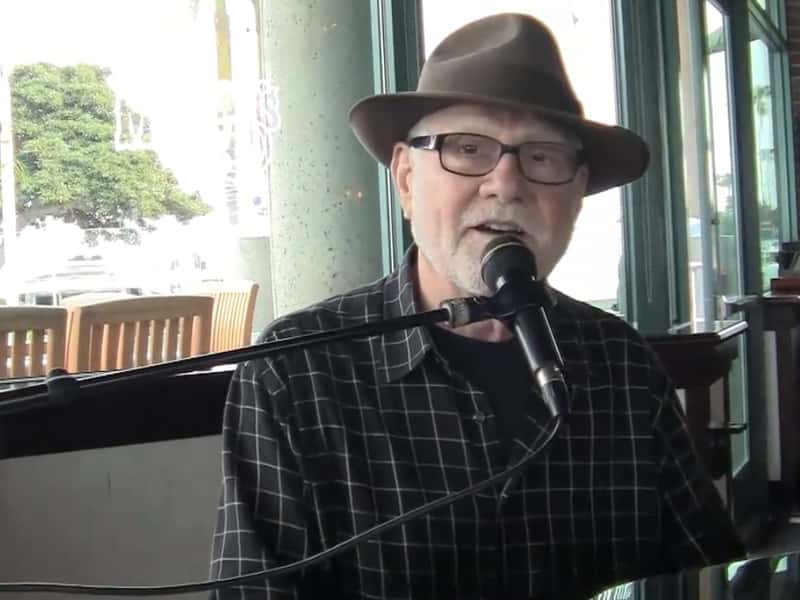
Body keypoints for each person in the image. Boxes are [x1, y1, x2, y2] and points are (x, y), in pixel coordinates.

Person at [210, 12, 745, 600]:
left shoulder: (621, 360)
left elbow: (705, 568)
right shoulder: (297, 371)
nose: (506, 184)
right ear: (407, 178)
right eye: (468, 149)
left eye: (542, 158)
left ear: (576, 196)